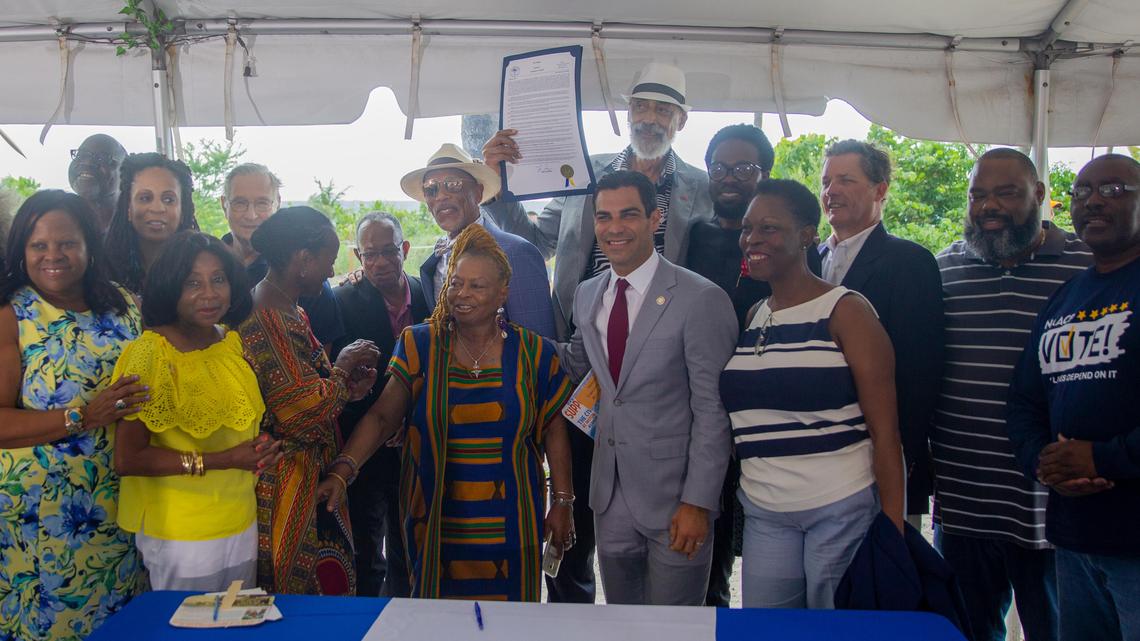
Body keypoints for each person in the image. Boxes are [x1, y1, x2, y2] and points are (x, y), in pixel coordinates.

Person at [483, 62, 714, 604]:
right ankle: (571, 616)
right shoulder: (580, 175)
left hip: (661, 376)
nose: (650, 119)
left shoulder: (700, 190)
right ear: (626, 113)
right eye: (641, 107)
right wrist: (497, 186)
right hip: (580, 366)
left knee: (662, 523)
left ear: (682, 119)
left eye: (663, 109)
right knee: (578, 508)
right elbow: (531, 243)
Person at [317, 223, 575, 602]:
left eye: (477, 285)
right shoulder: (420, 343)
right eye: (456, 283)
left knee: (509, 624)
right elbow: (382, 417)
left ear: (503, 291)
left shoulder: (534, 354)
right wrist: (342, 470)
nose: (462, 294)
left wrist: (563, 501)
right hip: (435, 521)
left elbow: (554, 427)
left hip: (513, 522)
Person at [720, 178, 906, 609]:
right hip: (765, 510)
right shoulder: (755, 314)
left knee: (838, 632)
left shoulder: (846, 311)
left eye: (769, 228)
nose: (752, 239)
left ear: (807, 235)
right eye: (748, 229)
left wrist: (893, 534)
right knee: (769, 635)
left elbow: (886, 434)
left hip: (840, 508)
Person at [556, 170, 736, 605]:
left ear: (655, 219)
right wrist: (501, 338)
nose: (614, 228)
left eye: (629, 215)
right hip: (609, 493)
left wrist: (699, 502)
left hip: (677, 500)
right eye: (604, 216)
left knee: (674, 630)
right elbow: (579, 361)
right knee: (623, 625)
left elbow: (713, 411)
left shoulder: (700, 298)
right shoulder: (586, 294)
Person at [933, 149, 1090, 641]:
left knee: (1055, 630)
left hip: (1053, 501)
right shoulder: (943, 271)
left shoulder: (1087, 268)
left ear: (1039, 195)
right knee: (968, 630)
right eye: (978, 194)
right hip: (964, 501)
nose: (988, 207)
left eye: (1006, 193)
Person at [0, 190, 148, 641]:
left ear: (90, 243)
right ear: (21, 251)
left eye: (66, 243)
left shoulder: (124, 306)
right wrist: (82, 416)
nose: (53, 256)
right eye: (38, 245)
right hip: (41, 516)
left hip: (120, 503)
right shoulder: (13, 314)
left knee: (123, 625)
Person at [1008, 153, 1140, 641]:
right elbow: (1023, 399)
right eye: (1082, 192)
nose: (1093, 202)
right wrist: (1044, 461)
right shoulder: (1066, 298)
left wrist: (1102, 458)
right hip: (1075, 539)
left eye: (1114, 190)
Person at [113, 231, 284, 591]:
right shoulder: (149, 353)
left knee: (234, 626)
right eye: (193, 282)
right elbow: (128, 458)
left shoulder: (228, 341)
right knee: (189, 628)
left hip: (239, 517)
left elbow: (239, 423)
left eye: (218, 279)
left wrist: (260, 446)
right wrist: (224, 459)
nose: (209, 294)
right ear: (170, 286)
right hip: (182, 532)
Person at [237, 206, 380, 595]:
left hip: (312, 472)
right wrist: (341, 366)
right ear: (303, 260)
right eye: (328, 262)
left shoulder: (289, 308)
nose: (332, 272)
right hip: (287, 481)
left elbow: (307, 389)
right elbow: (295, 414)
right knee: (301, 600)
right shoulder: (266, 316)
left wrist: (346, 389)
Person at [818, 140, 943, 526]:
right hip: (814, 462)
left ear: (881, 189)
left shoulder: (910, 262)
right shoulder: (808, 258)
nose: (831, 191)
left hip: (878, 463)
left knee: (881, 578)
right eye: (825, 181)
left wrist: (894, 461)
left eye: (845, 180)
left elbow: (919, 373)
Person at [330, 212, 429, 597]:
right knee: (367, 548)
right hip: (364, 446)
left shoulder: (430, 293)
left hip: (418, 444)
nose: (380, 263)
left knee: (409, 542)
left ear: (404, 249)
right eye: (370, 255)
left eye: (388, 252)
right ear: (357, 256)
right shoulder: (342, 300)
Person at [401, 144, 555, 339]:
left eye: (453, 184)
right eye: (431, 189)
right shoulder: (435, 260)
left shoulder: (516, 252)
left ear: (478, 193)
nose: (441, 196)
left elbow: (539, 346)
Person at [221, 163, 346, 348]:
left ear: (277, 203)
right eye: (240, 203)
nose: (251, 214)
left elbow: (320, 366)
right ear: (224, 204)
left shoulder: (305, 277)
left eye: (262, 203)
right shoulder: (206, 266)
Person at [104, 152, 200, 294]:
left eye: (168, 200)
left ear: (183, 211)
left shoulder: (204, 266)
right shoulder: (102, 271)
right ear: (129, 208)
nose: (157, 209)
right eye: (145, 198)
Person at [68, 133, 127, 232]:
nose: (87, 163)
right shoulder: (58, 223)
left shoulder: (138, 228)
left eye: (102, 158)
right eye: (81, 155)